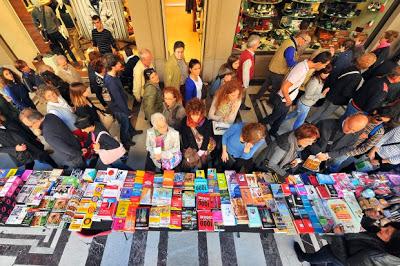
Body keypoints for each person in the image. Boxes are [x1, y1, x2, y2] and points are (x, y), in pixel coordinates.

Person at [262, 51, 332, 137]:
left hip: (287, 98)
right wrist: (288, 100)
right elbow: (285, 87)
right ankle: (257, 127)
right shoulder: (301, 70)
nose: (324, 67)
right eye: (324, 65)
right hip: (283, 99)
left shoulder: (305, 65)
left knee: (280, 118)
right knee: (273, 117)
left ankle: (272, 132)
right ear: (320, 62)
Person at [307, 53, 377, 124]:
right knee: (326, 113)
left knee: (322, 108)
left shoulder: (350, 67)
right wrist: (353, 96)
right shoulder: (357, 77)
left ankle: (309, 120)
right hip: (338, 99)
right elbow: (346, 92)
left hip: (332, 92)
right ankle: (315, 123)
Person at [294, 222, 400, 266]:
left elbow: (346, 262)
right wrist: (369, 214)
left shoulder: (375, 253)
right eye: (386, 226)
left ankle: (302, 256)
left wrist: (339, 236)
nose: (382, 228)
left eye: (387, 231)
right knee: (323, 259)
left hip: (335, 254)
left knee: (316, 258)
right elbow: (365, 223)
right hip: (337, 246)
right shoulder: (377, 235)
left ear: (391, 242)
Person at [329, 107, 393, 172]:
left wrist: (347, 153)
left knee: (334, 164)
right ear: (375, 112)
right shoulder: (360, 114)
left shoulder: (379, 131)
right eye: (379, 119)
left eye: (383, 122)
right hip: (335, 141)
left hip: (346, 150)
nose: (379, 122)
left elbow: (365, 148)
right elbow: (344, 124)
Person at [20, 108, 85, 169]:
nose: (31, 128)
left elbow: (66, 149)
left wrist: (80, 153)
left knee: (80, 170)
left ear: (36, 121)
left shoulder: (48, 134)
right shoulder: (50, 115)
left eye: (30, 126)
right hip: (74, 142)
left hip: (73, 156)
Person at [103, 54, 142, 149]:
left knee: (127, 121)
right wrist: (126, 111)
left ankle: (132, 131)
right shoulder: (110, 81)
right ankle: (125, 141)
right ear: (113, 66)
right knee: (124, 125)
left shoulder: (113, 75)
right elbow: (117, 99)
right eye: (118, 63)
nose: (120, 64)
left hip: (121, 105)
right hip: (119, 108)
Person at [256, 32, 311, 98]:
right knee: (275, 89)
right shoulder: (291, 47)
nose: (304, 44)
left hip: (272, 67)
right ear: (301, 38)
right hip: (278, 72)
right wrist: (300, 65)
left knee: (266, 84)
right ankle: (271, 101)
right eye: (305, 42)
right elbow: (290, 63)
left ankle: (257, 96)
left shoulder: (289, 40)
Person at [286, 64, 332, 130]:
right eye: (325, 73)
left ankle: (280, 119)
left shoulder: (319, 79)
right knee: (300, 121)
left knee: (294, 114)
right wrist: (322, 95)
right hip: (304, 105)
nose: (326, 75)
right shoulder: (314, 81)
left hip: (304, 103)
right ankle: (296, 134)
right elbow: (308, 96)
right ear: (320, 71)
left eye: (328, 73)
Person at [180, 98, 214, 168]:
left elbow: (206, 137)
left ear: (201, 113)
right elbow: (184, 135)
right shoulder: (184, 121)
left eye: (197, 114)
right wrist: (187, 148)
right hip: (191, 146)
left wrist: (201, 151)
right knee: (190, 163)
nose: (195, 118)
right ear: (189, 113)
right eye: (192, 115)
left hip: (203, 146)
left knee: (203, 164)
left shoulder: (206, 122)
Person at [237, 34, 261, 110]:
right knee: (241, 95)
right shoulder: (248, 58)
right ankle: (240, 106)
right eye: (258, 44)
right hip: (242, 81)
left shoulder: (245, 52)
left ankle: (240, 105)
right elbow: (245, 74)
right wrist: (245, 85)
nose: (258, 45)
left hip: (239, 79)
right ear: (253, 45)